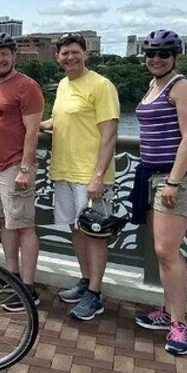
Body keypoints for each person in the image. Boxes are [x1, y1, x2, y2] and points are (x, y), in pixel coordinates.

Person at [130, 29, 187, 356]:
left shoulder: (183, 87)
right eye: (151, 54)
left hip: (175, 178)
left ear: (174, 57)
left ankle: (179, 323)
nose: (156, 59)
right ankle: (167, 311)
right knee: (160, 249)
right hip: (150, 175)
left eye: (163, 54)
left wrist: (174, 181)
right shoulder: (153, 86)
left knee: (167, 250)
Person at [40, 32, 119, 321]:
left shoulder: (101, 85)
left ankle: (95, 294)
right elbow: (59, 121)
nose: (70, 57)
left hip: (90, 176)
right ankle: (86, 281)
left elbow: (109, 135)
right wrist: (31, 125)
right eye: (64, 53)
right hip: (63, 170)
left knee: (95, 235)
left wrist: (98, 176)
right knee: (76, 230)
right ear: (58, 57)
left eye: (75, 52)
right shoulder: (63, 84)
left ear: (86, 53)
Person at [0, 33, 44, 310]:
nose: (0, 59)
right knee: (6, 223)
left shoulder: (26, 86)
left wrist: (26, 168)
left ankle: (28, 289)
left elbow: (32, 131)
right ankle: (12, 275)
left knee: (24, 226)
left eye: (4, 54)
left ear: (14, 55)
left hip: (15, 166)